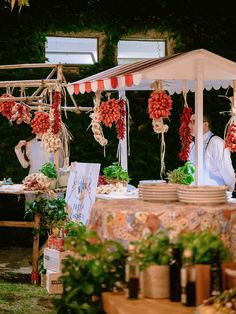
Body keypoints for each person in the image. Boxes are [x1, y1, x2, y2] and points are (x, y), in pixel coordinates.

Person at [188, 112, 236, 192]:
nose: (189, 125)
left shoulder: (216, 142)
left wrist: (230, 189)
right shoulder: (192, 145)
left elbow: (227, 171)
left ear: (205, 125)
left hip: (215, 195)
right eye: (190, 122)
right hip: (195, 195)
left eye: (193, 122)